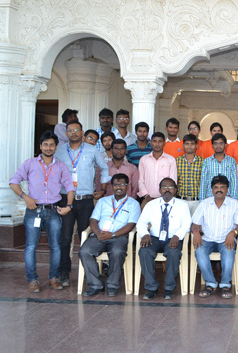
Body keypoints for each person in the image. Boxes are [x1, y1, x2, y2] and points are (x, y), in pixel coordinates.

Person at [9, 131, 75, 293]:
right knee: (31, 246)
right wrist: (26, 197)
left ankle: (54, 278)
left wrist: (69, 205)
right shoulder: (30, 164)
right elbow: (14, 182)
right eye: (45, 144)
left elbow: (70, 187)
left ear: (56, 147)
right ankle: (32, 280)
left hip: (53, 211)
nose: (48, 148)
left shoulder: (61, 166)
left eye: (51, 145)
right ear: (40, 146)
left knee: (56, 246)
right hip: (33, 210)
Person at [55, 120, 110, 287]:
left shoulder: (92, 150)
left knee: (85, 236)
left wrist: (103, 188)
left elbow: (104, 168)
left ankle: (88, 272)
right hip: (65, 199)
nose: (73, 133)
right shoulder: (59, 151)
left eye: (76, 130)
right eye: (70, 130)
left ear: (82, 133)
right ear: (66, 133)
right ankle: (64, 273)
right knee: (65, 238)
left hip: (86, 200)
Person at [79, 174, 141, 297]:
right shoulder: (103, 201)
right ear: (111, 186)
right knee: (84, 251)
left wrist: (112, 235)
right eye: (116, 185)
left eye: (122, 184)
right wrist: (98, 233)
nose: (119, 187)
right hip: (100, 234)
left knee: (117, 252)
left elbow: (131, 225)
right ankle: (96, 284)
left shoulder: (133, 204)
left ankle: (113, 285)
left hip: (119, 236)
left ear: (127, 186)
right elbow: (93, 220)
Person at [137, 177, 192, 299]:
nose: (167, 190)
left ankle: (169, 288)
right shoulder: (151, 205)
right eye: (164, 187)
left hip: (173, 238)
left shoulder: (183, 205)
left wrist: (177, 236)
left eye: (171, 187)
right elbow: (141, 222)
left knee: (174, 253)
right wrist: (145, 234)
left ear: (175, 190)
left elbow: (186, 224)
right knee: (144, 251)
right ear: (159, 190)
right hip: (154, 238)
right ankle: (151, 287)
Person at [192, 175, 238, 299]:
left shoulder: (235, 204)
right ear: (212, 189)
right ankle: (210, 284)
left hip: (226, 240)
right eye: (216, 187)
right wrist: (196, 232)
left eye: (222, 187)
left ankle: (225, 285)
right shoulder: (204, 204)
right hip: (207, 239)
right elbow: (194, 224)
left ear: (227, 190)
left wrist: (233, 233)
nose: (219, 190)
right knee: (199, 251)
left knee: (228, 252)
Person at [138, 132, 178, 206]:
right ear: (151, 143)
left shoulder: (171, 160)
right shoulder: (144, 159)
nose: (157, 144)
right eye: (154, 141)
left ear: (164, 143)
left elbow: (173, 181)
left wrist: (165, 196)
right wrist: (146, 196)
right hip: (147, 200)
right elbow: (140, 180)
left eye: (160, 141)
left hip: (165, 200)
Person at [199, 133, 238, 200]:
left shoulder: (231, 161)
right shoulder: (207, 161)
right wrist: (202, 201)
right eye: (215, 144)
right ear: (212, 146)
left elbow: (234, 182)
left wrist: (233, 200)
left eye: (221, 143)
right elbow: (203, 182)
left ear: (225, 145)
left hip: (227, 198)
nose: (218, 146)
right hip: (210, 198)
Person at [175, 134, 203, 215]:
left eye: (192, 144)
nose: (189, 146)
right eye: (187, 144)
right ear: (183, 145)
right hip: (181, 200)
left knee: (196, 222)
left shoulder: (202, 161)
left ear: (196, 146)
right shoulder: (177, 161)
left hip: (197, 201)